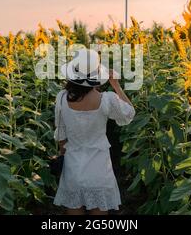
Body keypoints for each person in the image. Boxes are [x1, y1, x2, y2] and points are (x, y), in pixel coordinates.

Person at [53, 48, 135, 215]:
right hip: (99, 168)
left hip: (73, 165)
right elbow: (129, 114)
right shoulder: (106, 99)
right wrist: (116, 85)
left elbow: (61, 135)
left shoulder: (62, 97)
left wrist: (63, 151)